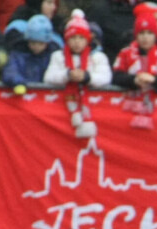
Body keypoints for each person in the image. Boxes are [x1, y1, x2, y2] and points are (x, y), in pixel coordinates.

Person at [44, 9, 113, 138]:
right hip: (62, 107)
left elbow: (106, 77)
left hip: (93, 107)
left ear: (87, 39)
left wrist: (87, 77)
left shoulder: (97, 57)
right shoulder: (58, 56)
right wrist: (67, 75)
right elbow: (48, 77)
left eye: (81, 38)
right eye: (73, 37)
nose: (77, 42)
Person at [1, 13, 58, 89]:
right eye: (33, 42)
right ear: (27, 41)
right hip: (22, 94)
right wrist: (20, 82)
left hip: (44, 97)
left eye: (41, 43)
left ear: (47, 43)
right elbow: (10, 70)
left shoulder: (54, 56)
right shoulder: (18, 53)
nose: (36, 47)